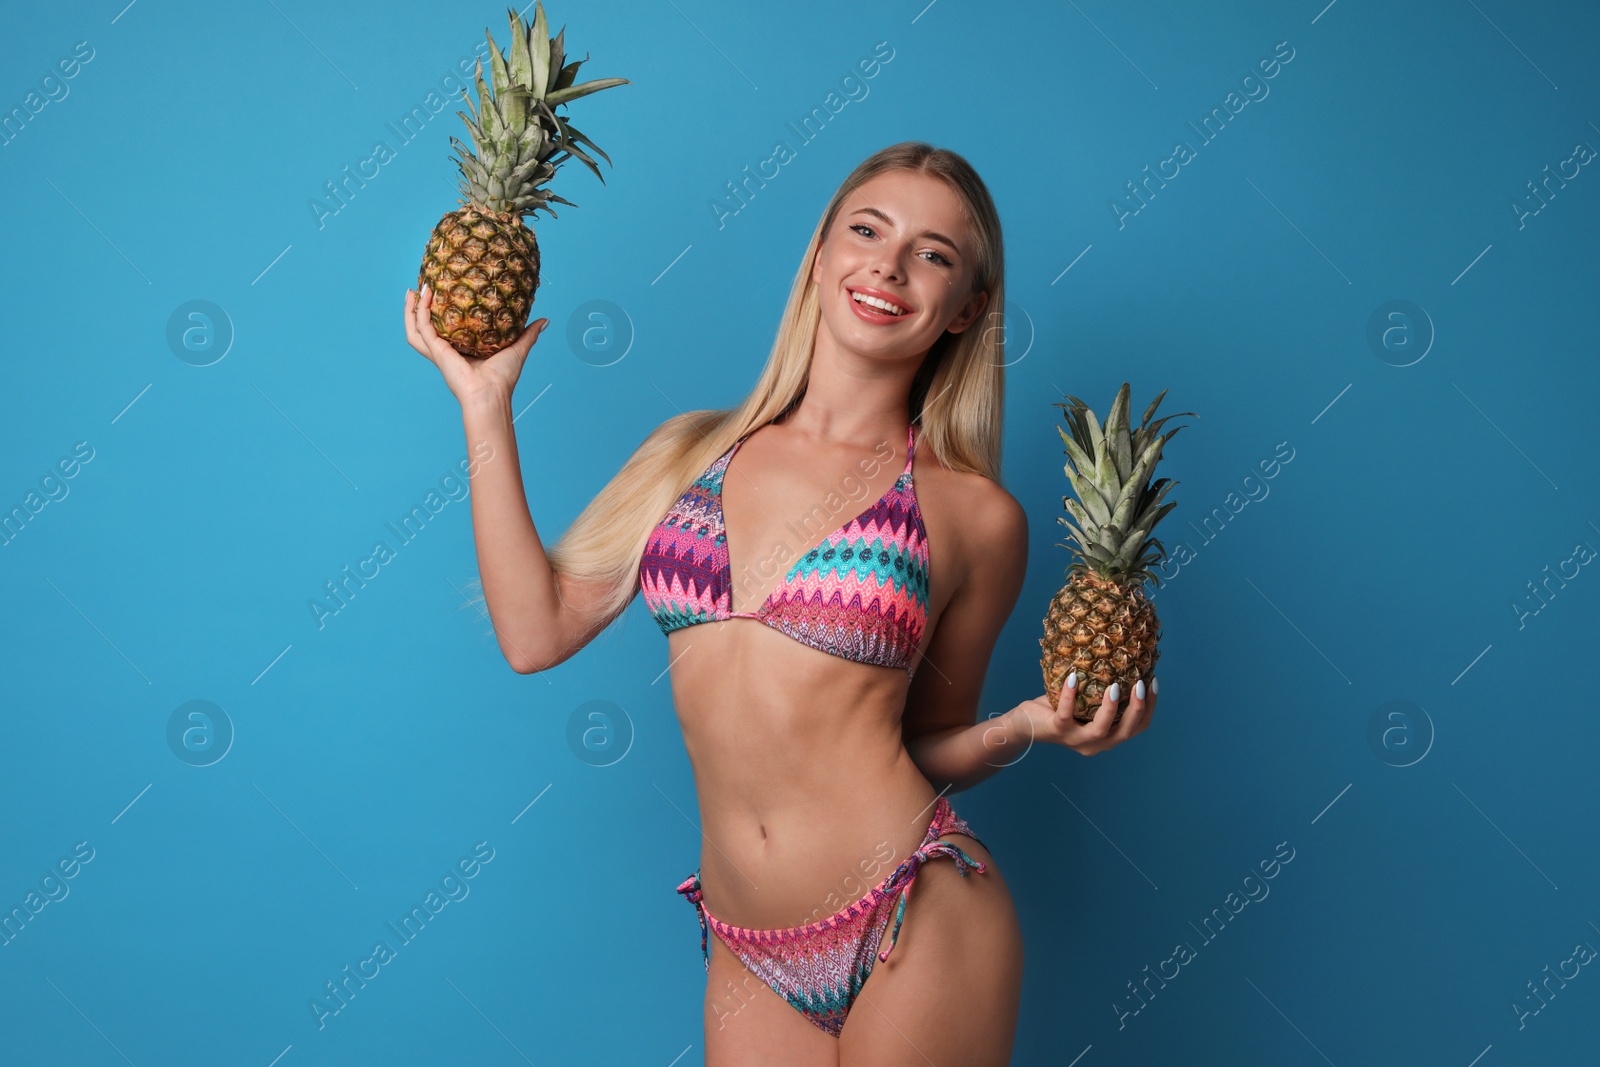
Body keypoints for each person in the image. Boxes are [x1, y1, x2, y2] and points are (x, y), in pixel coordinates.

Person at [403, 140, 1156, 1065]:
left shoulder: (974, 513)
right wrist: (484, 406)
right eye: (867, 230)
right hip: (748, 941)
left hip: (914, 908)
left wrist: (1030, 724)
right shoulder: (686, 454)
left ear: (968, 310)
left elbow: (928, 746)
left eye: (934, 253)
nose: (888, 263)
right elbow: (535, 631)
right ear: (821, 254)